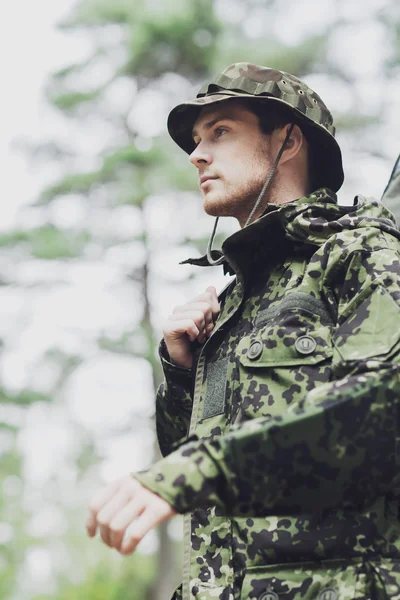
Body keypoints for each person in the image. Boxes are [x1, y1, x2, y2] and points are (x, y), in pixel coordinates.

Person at [86, 63, 400, 600]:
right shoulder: (232, 304)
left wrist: (192, 471)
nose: (196, 155)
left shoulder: (358, 253)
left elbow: (384, 404)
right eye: (195, 141)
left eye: (221, 132)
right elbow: (204, 486)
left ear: (289, 139)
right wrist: (182, 374)